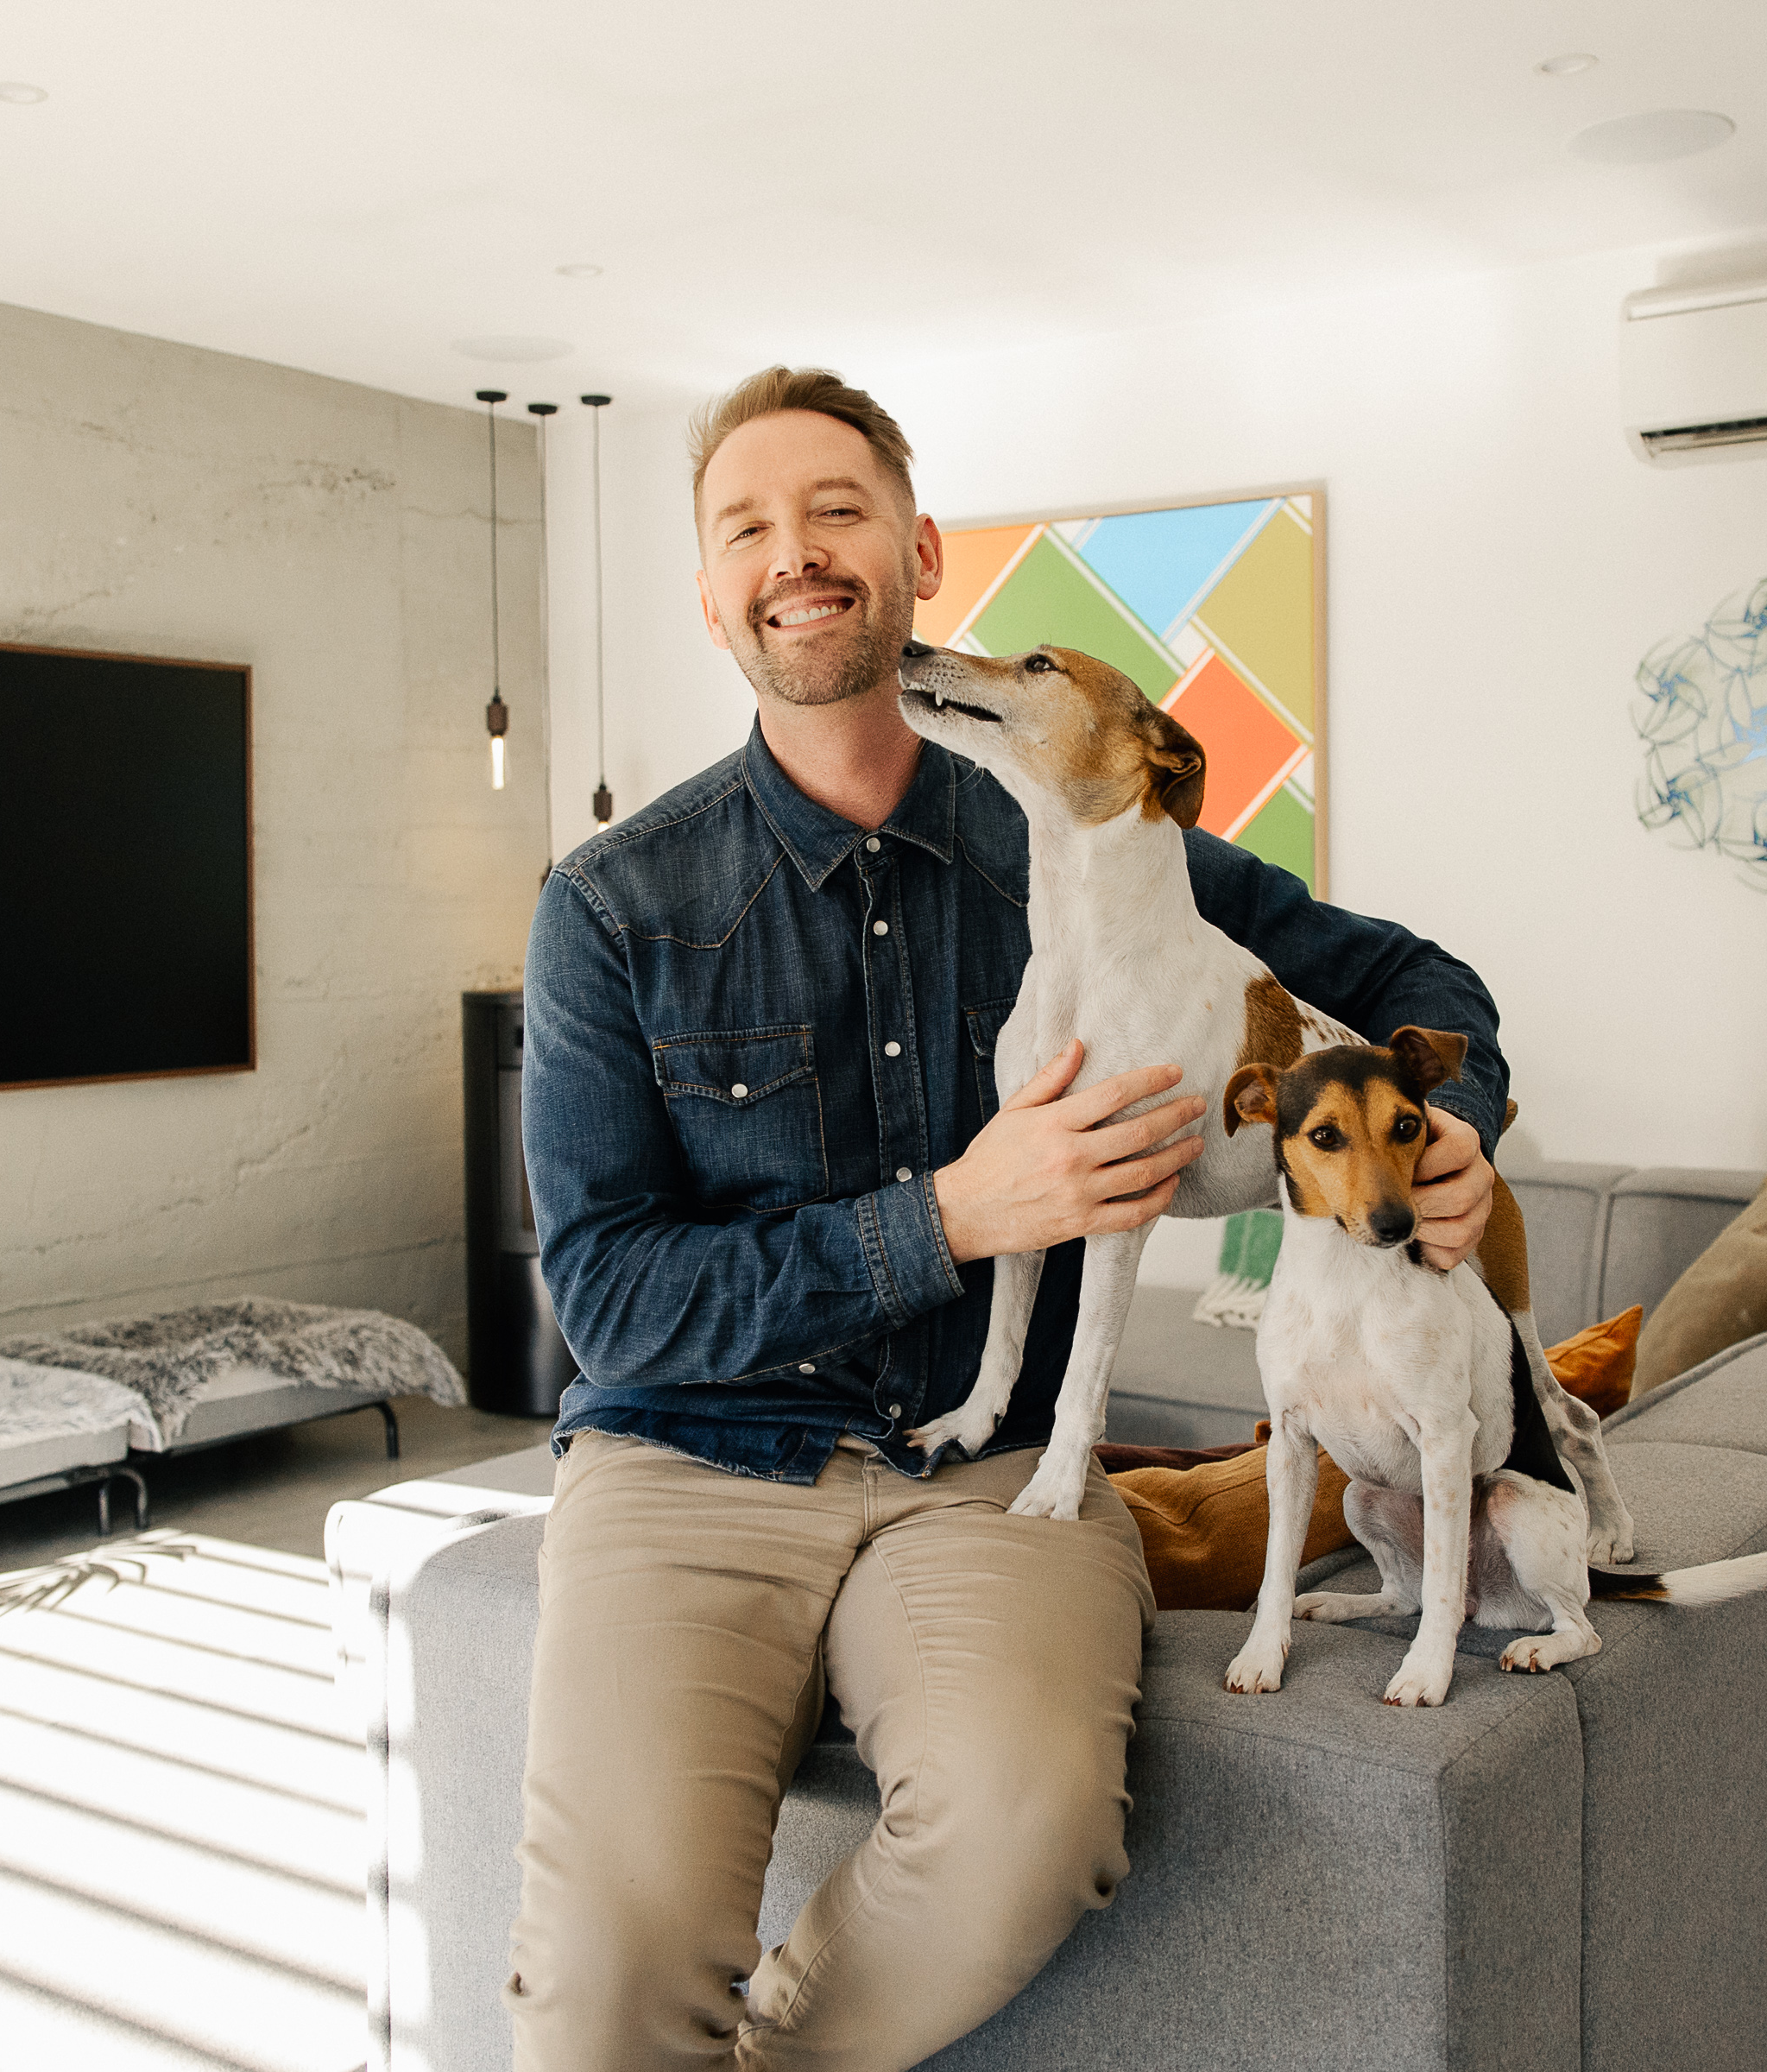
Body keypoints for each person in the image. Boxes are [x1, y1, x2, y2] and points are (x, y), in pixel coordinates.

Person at [511, 367, 1509, 2069]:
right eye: (745, 526)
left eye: (837, 509)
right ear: (707, 596)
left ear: (920, 557)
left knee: (1033, 1831)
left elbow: (1426, 989)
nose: (795, 552)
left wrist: (1455, 1131)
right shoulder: (610, 905)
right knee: (604, 1990)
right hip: (688, 1470)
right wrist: (949, 1219)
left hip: (987, 1482)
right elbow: (608, 1298)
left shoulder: (1107, 832)